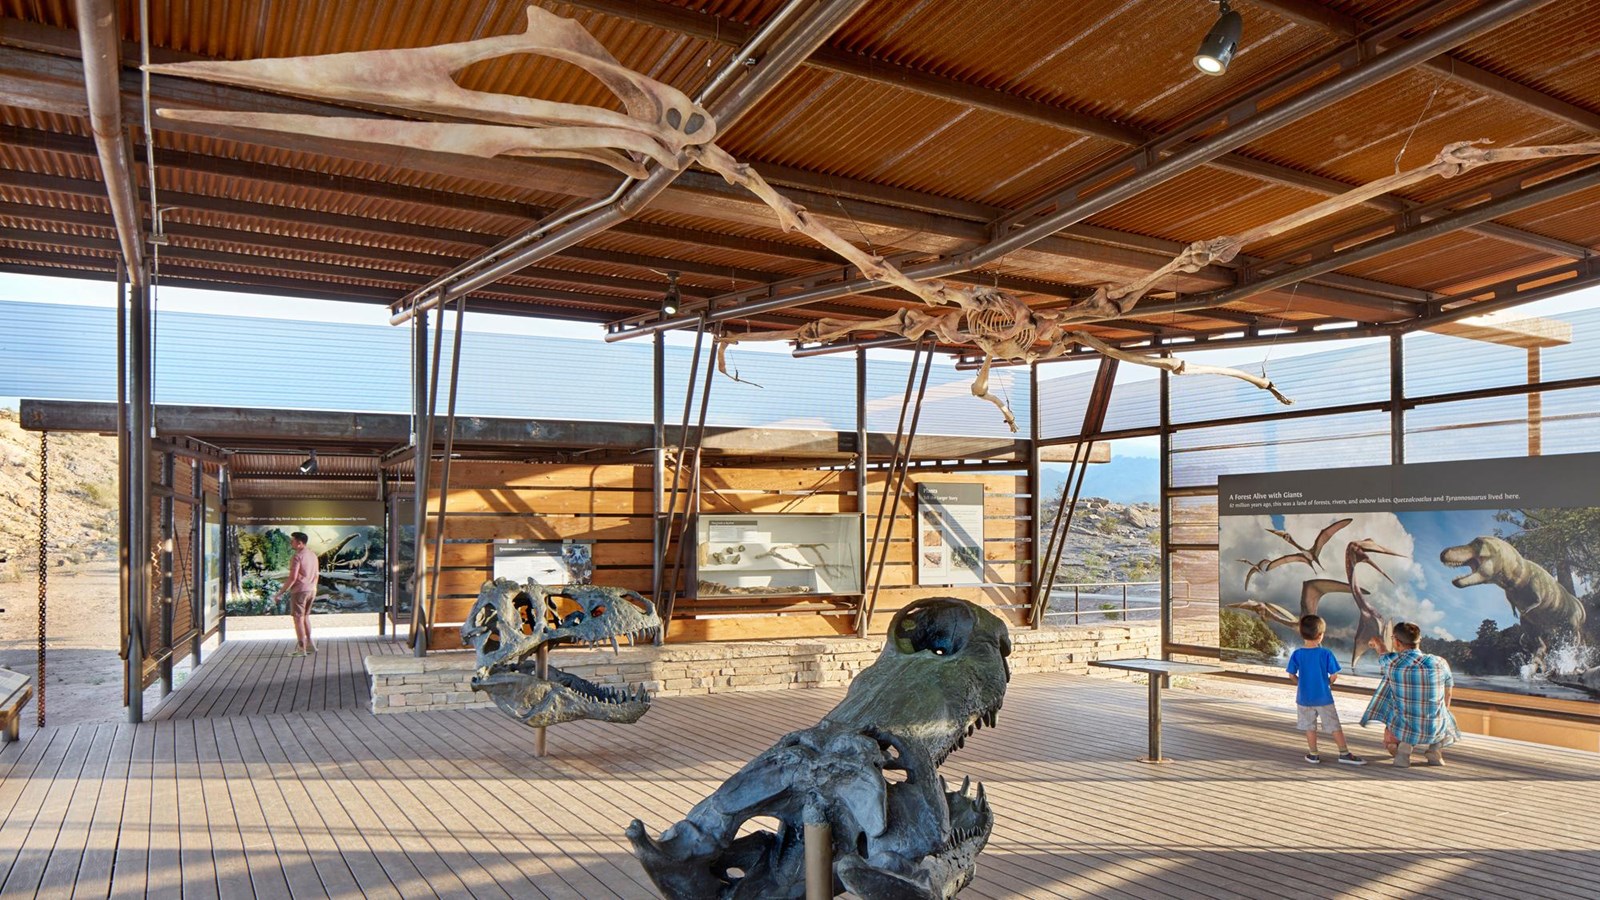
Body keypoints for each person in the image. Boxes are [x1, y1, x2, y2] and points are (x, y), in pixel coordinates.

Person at [1361, 621, 1458, 768]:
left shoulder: (1392, 662)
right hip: (1436, 727)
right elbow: (1448, 692)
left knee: (1391, 700)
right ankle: (1435, 750)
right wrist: (1443, 714)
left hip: (1404, 728)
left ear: (1397, 642)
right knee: (1443, 710)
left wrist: (1377, 642)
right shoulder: (1440, 662)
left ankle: (1403, 751)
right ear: (1419, 640)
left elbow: (1382, 654)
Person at [1286, 614, 1366, 765]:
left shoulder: (1297, 654)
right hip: (1324, 698)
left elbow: (1291, 675)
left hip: (1304, 699)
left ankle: (1313, 754)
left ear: (1302, 633)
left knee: (1309, 727)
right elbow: (1334, 675)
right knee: (1334, 725)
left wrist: (1301, 684)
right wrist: (1326, 684)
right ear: (1320, 635)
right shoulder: (1326, 653)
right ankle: (1344, 753)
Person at [273, 531, 319, 658]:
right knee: (306, 617)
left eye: (292, 541)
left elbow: (292, 578)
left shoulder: (297, 557)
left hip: (300, 591)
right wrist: (313, 588)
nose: (290, 543)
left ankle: (301, 649)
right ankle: (310, 645)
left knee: (298, 619)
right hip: (311, 590)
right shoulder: (313, 555)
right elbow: (316, 575)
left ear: (299, 543)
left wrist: (280, 593)